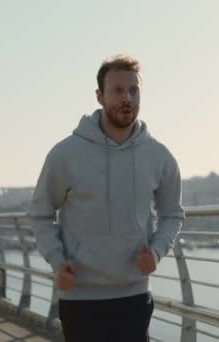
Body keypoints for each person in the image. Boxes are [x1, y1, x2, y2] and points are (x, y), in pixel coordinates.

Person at [29, 54, 185, 341]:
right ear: (99, 96)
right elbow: (40, 214)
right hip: (80, 296)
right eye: (117, 90)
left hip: (134, 294)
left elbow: (172, 214)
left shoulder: (159, 156)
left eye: (133, 90)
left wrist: (157, 251)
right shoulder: (65, 155)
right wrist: (57, 261)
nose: (127, 98)